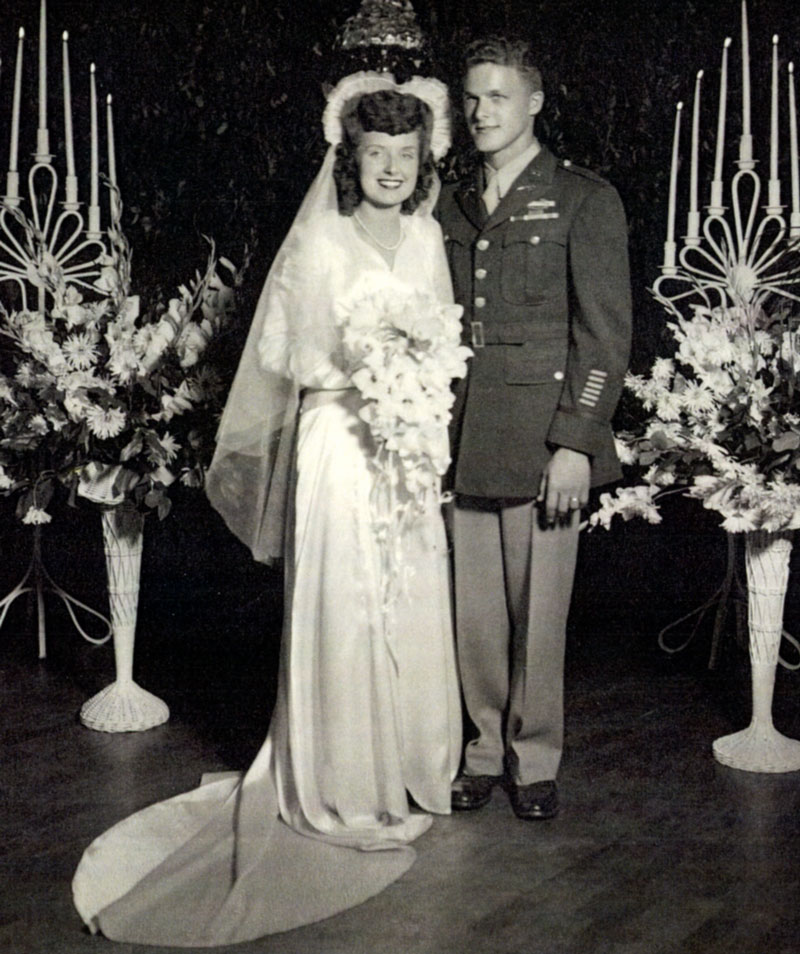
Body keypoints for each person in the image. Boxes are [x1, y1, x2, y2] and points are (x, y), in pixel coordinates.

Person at [72, 72, 463, 947]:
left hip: (406, 450)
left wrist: (418, 385)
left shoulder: (431, 238)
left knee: (408, 597)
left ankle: (409, 765)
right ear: (349, 161)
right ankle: (338, 780)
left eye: (406, 156)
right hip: (338, 443)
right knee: (342, 605)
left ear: (422, 163)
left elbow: (442, 333)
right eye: (376, 156)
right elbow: (290, 355)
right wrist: (366, 367)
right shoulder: (320, 243)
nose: (391, 171)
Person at [438, 36, 632, 821]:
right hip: (461, 431)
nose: (482, 113)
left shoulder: (583, 199)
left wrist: (575, 443)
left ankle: (535, 757)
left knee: (538, 612)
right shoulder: (449, 201)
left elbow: (606, 334)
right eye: (473, 98)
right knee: (473, 613)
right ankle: (481, 750)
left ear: (535, 105)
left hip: (540, 436)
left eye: (499, 98)